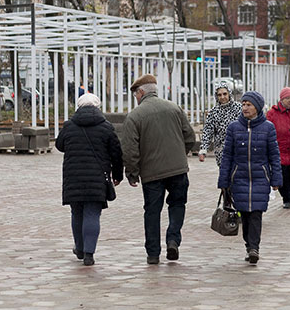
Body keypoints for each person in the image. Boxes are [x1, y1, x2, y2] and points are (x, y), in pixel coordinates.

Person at [120, 73, 198, 264]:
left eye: (135, 95)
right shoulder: (174, 108)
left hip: (151, 174)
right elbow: (190, 138)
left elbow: (130, 149)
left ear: (140, 92)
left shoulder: (135, 116)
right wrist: (179, 155)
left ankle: (153, 253)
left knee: (152, 212)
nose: (136, 99)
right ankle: (173, 239)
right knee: (177, 204)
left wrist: (132, 173)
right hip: (178, 170)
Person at [55, 92, 123, 266]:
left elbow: (59, 145)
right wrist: (118, 175)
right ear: (97, 107)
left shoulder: (69, 126)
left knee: (77, 213)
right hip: (97, 178)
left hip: (73, 177)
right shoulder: (106, 127)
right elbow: (116, 153)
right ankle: (89, 254)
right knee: (92, 214)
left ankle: (79, 247)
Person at [219, 90, 281, 265]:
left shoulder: (268, 128)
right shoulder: (234, 128)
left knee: (256, 213)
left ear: (257, 108)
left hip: (260, 177)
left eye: (249, 105)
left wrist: (276, 179)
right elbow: (227, 156)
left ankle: (254, 247)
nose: (245, 108)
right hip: (239, 177)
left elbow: (274, 155)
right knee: (244, 214)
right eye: (243, 104)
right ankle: (249, 245)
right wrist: (223, 181)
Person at [199, 79, 242, 165]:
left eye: (225, 94)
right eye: (219, 95)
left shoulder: (239, 108)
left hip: (239, 150)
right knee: (225, 176)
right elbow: (208, 131)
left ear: (229, 94)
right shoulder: (213, 112)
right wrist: (203, 149)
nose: (222, 97)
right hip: (222, 152)